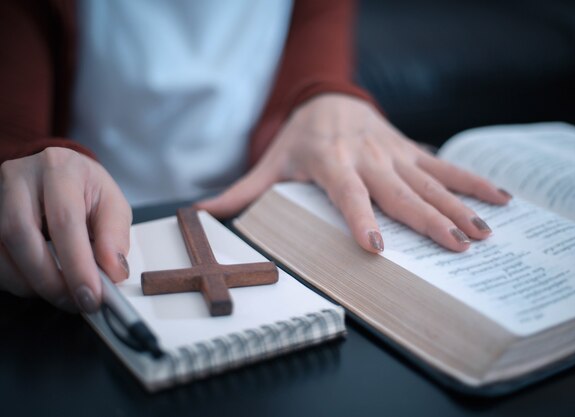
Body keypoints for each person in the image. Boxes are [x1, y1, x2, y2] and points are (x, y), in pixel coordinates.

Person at [0, 0, 511, 313]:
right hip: (89, 220)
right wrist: (27, 159)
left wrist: (322, 101)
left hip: (251, 217)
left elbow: (304, 85)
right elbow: (13, 120)